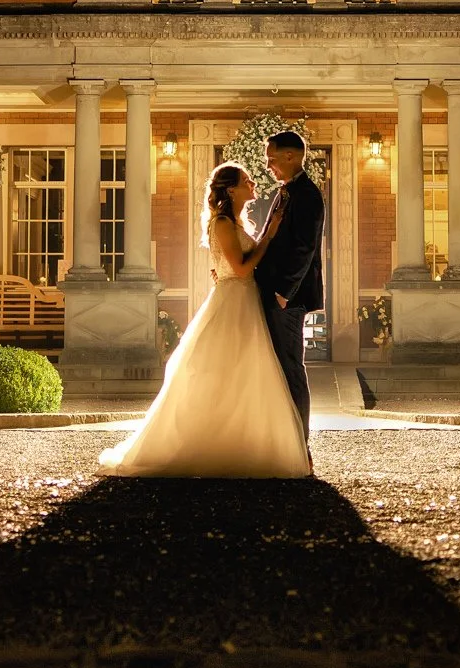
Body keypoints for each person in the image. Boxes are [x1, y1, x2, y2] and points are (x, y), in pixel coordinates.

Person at [97, 158, 312, 477]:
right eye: (246, 181)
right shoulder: (223, 223)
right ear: (231, 189)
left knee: (246, 373)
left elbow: (240, 264)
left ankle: (243, 443)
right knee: (226, 371)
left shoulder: (237, 223)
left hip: (244, 299)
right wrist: (268, 238)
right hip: (233, 300)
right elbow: (239, 268)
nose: (253, 185)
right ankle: (212, 443)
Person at [250, 130, 324, 442]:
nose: (269, 166)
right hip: (274, 293)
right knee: (279, 367)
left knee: (292, 367)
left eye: (272, 159)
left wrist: (284, 292)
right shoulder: (287, 191)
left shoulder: (306, 194)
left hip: (287, 299)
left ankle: (299, 442)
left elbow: (304, 248)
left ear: (291, 156)